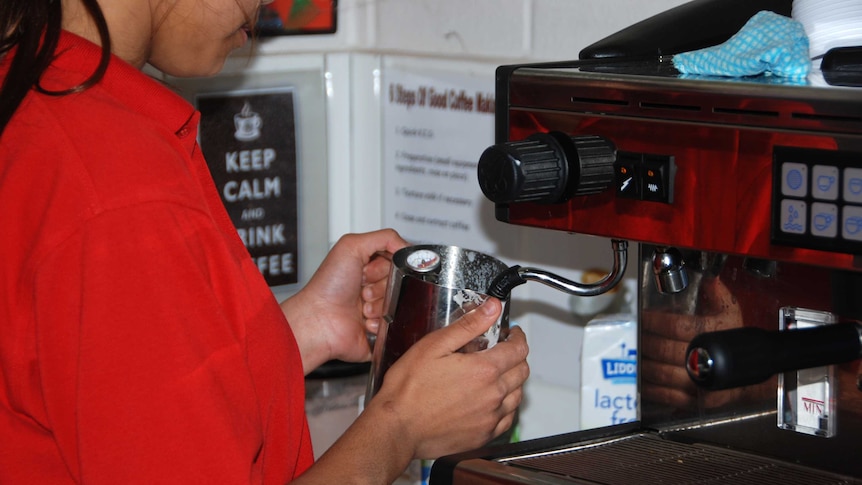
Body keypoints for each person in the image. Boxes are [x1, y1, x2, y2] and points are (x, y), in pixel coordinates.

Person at [0, 0, 530, 483]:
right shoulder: (115, 188)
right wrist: (399, 425)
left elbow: (106, 394)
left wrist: (299, 332)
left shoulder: (36, 109)